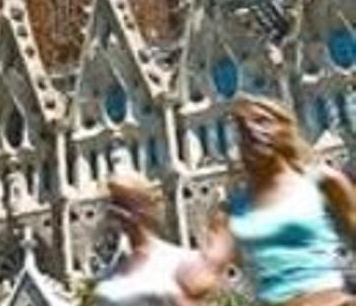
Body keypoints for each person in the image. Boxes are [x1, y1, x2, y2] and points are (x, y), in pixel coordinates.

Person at [191, 94, 356, 306]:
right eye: (242, 128)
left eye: (263, 121)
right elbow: (208, 268)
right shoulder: (230, 211)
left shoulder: (323, 181)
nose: (252, 130)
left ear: (285, 130)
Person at [94, 173, 206, 306]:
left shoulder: (181, 262)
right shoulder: (108, 277)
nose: (114, 211)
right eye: (110, 204)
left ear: (141, 207)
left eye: (121, 204)